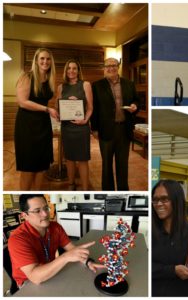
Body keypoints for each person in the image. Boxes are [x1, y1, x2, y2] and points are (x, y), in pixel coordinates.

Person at [8, 195, 105, 288]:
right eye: (37, 211)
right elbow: (35, 278)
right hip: (28, 282)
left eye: (46, 208)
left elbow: (72, 249)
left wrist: (88, 262)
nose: (45, 214)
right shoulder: (17, 239)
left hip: (51, 271)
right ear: (25, 215)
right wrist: (65, 257)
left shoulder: (55, 227)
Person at [91, 57, 139, 191]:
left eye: (113, 65)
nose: (110, 68)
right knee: (106, 165)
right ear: (104, 68)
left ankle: (124, 191)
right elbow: (94, 108)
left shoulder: (129, 84)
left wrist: (135, 106)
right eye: (107, 66)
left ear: (118, 67)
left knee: (122, 164)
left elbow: (136, 100)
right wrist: (94, 128)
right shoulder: (97, 86)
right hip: (105, 130)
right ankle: (108, 191)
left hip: (124, 129)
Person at [14, 48, 59, 190]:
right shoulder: (27, 77)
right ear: (36, 60)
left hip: (43, 125)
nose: (45, 61)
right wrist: (46, 109)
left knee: (42, 165)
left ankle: (37, 194)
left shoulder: (50, 79)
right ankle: (25, 200)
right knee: (28, 167)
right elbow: (22, 102)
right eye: (42, 58)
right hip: (27, 126)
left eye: (48, 59)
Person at [152, 179, 188, 297]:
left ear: (177, 201)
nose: (158, 204)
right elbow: (143, 266)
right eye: (155, 199)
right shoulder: (149, 232)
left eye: (164, 199)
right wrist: (173, 270)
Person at [57, 60, 93, 191]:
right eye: (69, 68)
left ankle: (85, 188)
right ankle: (71, 184)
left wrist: (85, 120)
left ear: (78, 71)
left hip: (81, 127)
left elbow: (90, 108)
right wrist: (61, 110)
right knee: (69, 159)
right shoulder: (61, 87)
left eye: (74, 68)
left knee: (83, 159)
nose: (71, 71)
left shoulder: (86, 85)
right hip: (67, 127)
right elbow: (58, 107)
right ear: (65, 71)